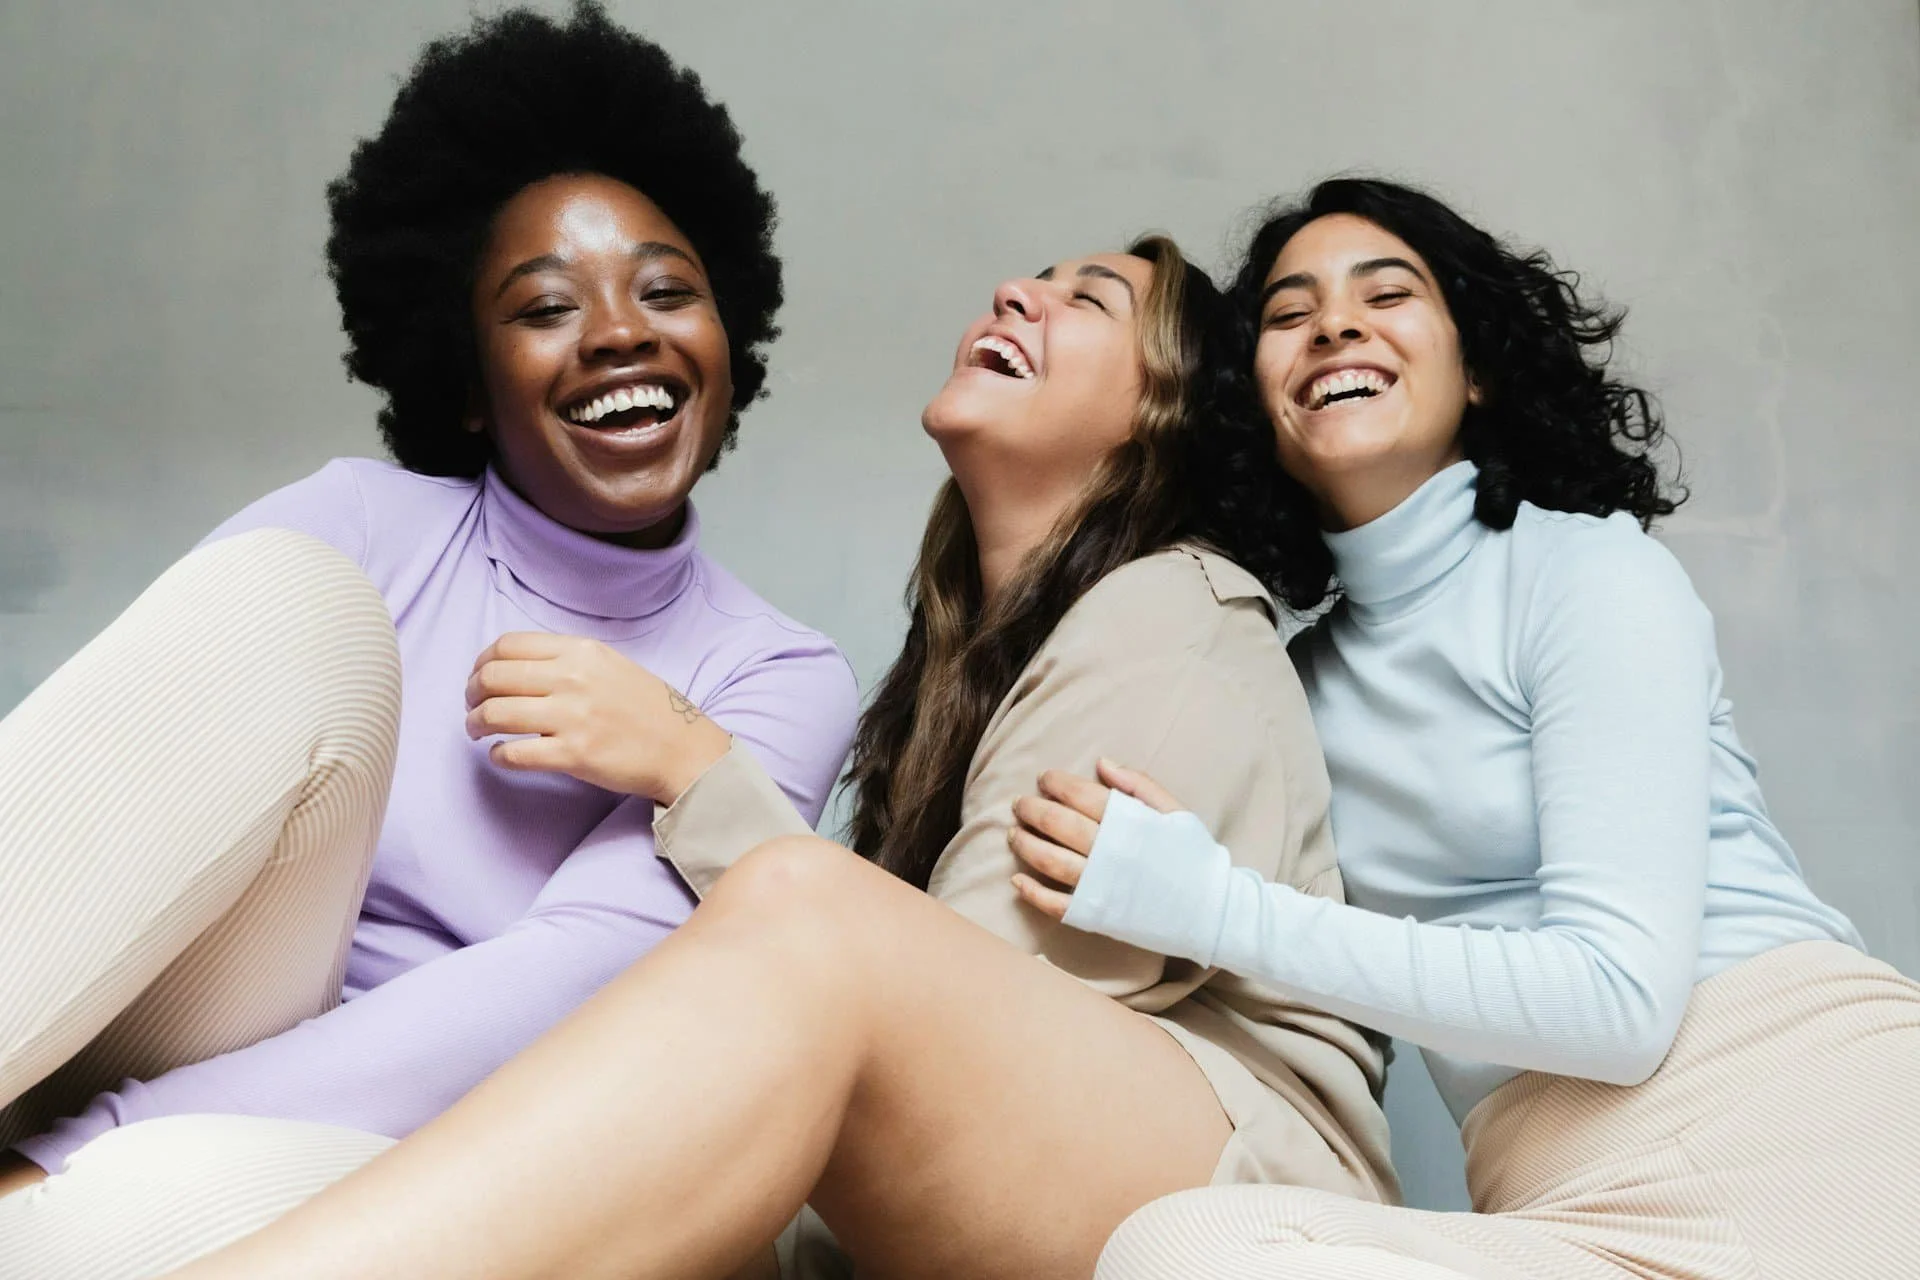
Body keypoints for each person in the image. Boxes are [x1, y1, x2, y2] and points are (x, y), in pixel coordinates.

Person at [158, 228, 1398, 1280]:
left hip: (1247, 1173)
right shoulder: (978, 667)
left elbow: (942, 1003)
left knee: (797, 914)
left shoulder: (1172, 606)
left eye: (1090, 300)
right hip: (1100, 1148)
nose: (1021, 293)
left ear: (1163, 411)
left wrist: (693, 764)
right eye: (1032, 277)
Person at [0, 6, 857, 1273]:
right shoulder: (359, 524)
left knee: (98, 1226)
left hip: (458, 1148)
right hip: (182, 1035)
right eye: (547, 307)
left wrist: (78, 1146)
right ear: (466, 380)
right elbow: (111, 789)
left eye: (669, 291)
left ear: (729, 348)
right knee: (292, 598)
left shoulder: (775, 672)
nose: (622, 331)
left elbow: (564, 995)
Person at [1010, 177, 1920, 1279]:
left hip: (1811, 1126)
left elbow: (1620, 1001)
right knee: (1181, 1246)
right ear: (1256, 407)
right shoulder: (1292, 680)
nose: (1335, 323)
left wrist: (1212, 907)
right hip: (1564, 1205)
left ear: (1476, 366)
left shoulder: (1588, 570)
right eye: (1289, 317)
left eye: (1387, 294)